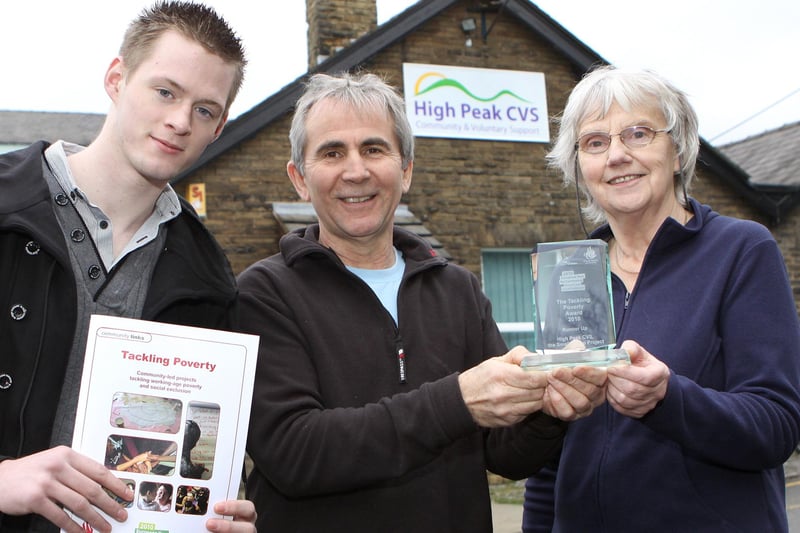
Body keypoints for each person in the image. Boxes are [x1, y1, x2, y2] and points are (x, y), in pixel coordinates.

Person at [237, 71, 607, 532]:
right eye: (332, 152)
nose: (356, 171)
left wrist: (549, 412)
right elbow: (296, 454)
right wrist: (459, 401)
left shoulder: (458, 290)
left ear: (406, 169)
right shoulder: (264, 293)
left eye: (374, 149)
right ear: (299, 178)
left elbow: (506, 454)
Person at [0, 2, 256, 532]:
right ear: (117, 79)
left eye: (205, 109)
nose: (180, 121)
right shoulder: (5, 211)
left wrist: (211, 513)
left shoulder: (209, 279)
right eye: (165, 92)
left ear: (219, 126)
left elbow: (194, 458)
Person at [522, 65, 800, 532]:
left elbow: (775, 426)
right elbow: (551, 456)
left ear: (677, 150)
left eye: (638, 133)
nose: (616, 155)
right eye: (595, 142)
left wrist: (668, 398)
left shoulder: (741, 250)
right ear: (579, 167)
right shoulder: (569, 273)